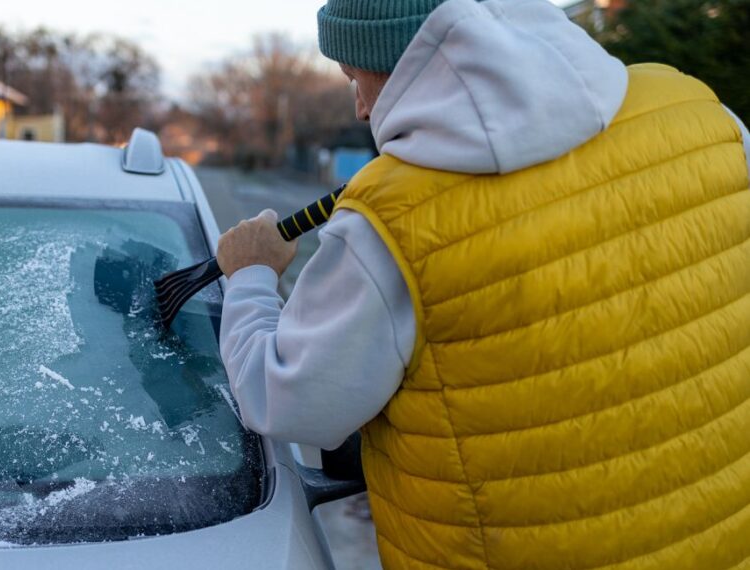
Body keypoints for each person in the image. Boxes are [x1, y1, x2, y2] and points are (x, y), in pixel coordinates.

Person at [214, 0, 750, 568]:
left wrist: (250, 277)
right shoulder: (705, 118)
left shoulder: (394, 217)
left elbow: (289, 401)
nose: (361, 108)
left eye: (355, 77)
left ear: (404, 57)